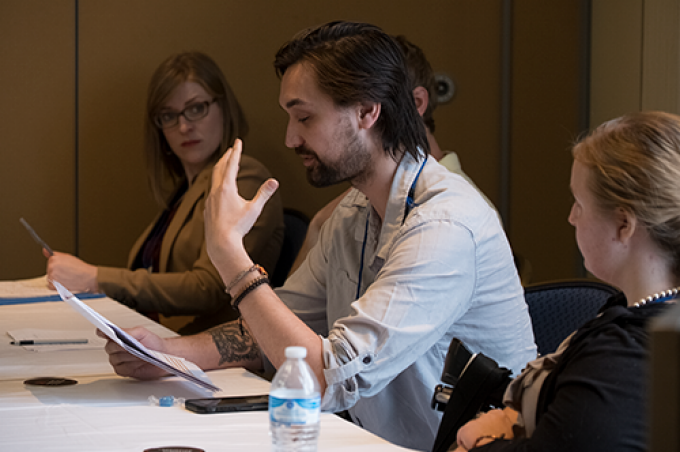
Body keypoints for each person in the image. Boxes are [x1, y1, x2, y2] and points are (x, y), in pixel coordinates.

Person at [103, 22, 535, 451]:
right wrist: (166, 353)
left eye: (305, 117)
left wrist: (232, 261)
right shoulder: (355, 210)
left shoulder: (445, 226)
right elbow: (275, 331)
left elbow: (328, 377)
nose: (291, 138)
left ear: (368, 112)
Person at [453, 111, 680, 452]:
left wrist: (478, 441)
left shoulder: (625, 359)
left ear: (624, 224)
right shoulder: (638, 313)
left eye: (580, 203)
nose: (571, 217)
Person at [45, 51, 285, 335]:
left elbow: (210, 288)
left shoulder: (243, 176)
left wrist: (96, 278)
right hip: (159, 342)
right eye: (169, 116)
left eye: (196, 108)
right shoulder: (185, 190)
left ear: (224, 107)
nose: (184, 126)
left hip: (214, 353)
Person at [288, 34, 497, 276]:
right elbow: (290, 309)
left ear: (416, 103)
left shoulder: (449, 218)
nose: (368, 118)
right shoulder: (349, 211)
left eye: (374, 104)